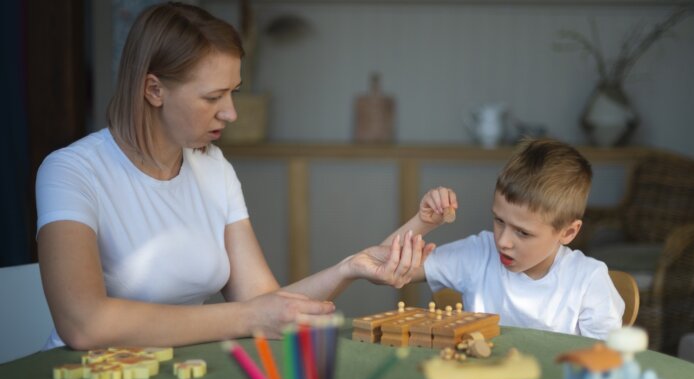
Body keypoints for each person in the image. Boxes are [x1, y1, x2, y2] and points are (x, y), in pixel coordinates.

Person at [35, 2, 430, 351]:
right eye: (212, 97)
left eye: (233, 93)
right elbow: (83, 324)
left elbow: (264, 302)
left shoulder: (214, 168)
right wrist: (244, 318)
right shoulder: (71, 171)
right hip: (83, 377)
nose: (231, 113)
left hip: (178, 369)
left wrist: (349, 268)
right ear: (154, 89)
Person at [384, 138, 624, 340]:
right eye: (499, 221)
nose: (503, 242)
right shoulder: (479, 253)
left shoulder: (589, 282)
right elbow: (383, 267)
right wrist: (423, 222)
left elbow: (607, 369)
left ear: (568, 232)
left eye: (523, 232)